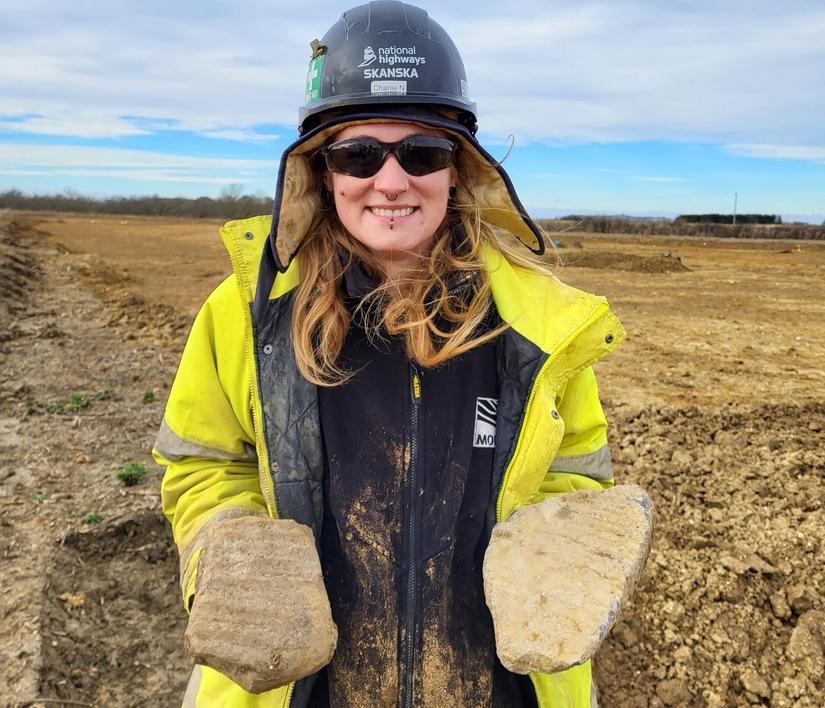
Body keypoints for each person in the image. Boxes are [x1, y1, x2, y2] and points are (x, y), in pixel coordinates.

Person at [154, 1, 625, 706]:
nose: (392, 179)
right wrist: (231, 543)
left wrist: (555, 545)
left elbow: (574, 466)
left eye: (422, 152)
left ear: (458, 168)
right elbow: (202, 465)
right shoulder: (245, 316)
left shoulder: (538, 323)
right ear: (322, 171)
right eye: (359, 153)